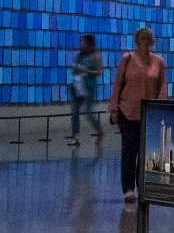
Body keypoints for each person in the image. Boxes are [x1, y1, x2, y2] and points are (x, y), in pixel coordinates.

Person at [108, 27, 165, 203]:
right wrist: (114, 108)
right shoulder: (127, 59)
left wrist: (161, 109)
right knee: (129, 151)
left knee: (146, 153)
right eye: (142, 38)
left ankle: (143, 186)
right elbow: (118, 84)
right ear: (136, 40)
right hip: (128, 111)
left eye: (148, 38)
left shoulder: (159, 62)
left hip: (149, 113)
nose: (145, 41)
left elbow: (162, 87)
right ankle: (128, 189)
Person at [67, 34, 104, 146]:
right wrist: (77, 70)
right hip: (77, 87)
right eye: (81, 42)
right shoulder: (78, 55)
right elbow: (73, 71)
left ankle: (99, 131)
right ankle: (75, 137)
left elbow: (99, 72)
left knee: (87, 112)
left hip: (89, 87)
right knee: (74, 112)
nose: (82, 44)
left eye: (84, 42)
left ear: (90, 44)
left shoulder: (96, 56)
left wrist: (87, 71)